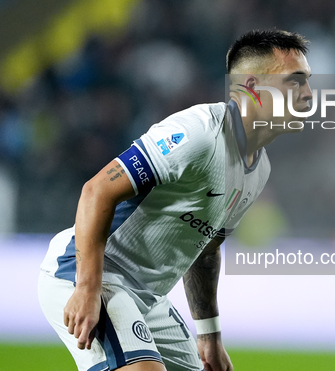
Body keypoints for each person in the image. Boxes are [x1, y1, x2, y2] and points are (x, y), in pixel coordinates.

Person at [38, 29, 312, 371]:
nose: (308, 95)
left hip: (146, 298)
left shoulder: (259, 169)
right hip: (92, 272)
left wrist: (209, 334)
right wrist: (88, 288)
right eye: (295, 82)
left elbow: (206, 248)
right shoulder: (200, 132)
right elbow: (97, 190)